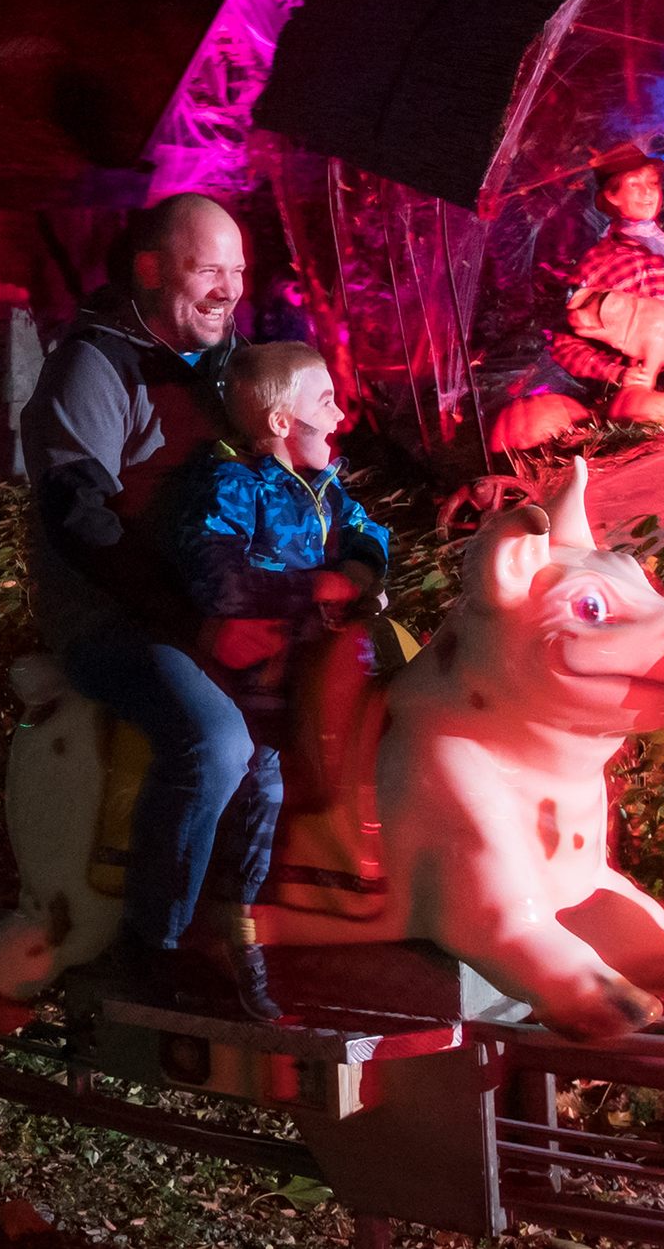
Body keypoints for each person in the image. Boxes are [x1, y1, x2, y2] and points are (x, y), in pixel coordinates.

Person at [19, 192, 282, 1015]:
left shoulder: (221, 362)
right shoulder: (94, 366)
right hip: (117, 614)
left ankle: (239, 930)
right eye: (208, 269)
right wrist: (192, 618)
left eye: (237, 271)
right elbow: (79, 515)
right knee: (212, 737)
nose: (228, 289)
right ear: (147, 270)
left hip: (208, 601)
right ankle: (153, 943)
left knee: (305, 712)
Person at [167, 342, 390, 1018]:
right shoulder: (234, 484)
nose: (341, 414)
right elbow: (215, 572)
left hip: (323, 658)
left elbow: (367, 531)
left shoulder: (326, 485)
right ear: (279, 420)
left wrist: (356, 569)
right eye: (325, 402)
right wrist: (305, 588)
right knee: (261, 781)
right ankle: (235, 936)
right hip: (258, 669)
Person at [548, 143, 664, 397]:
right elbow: (565, 345)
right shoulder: (595, 265)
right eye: (634, 185)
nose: (647, 193)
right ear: (611, 194)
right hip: (634, 400)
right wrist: (614, 373)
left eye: (652, 184)